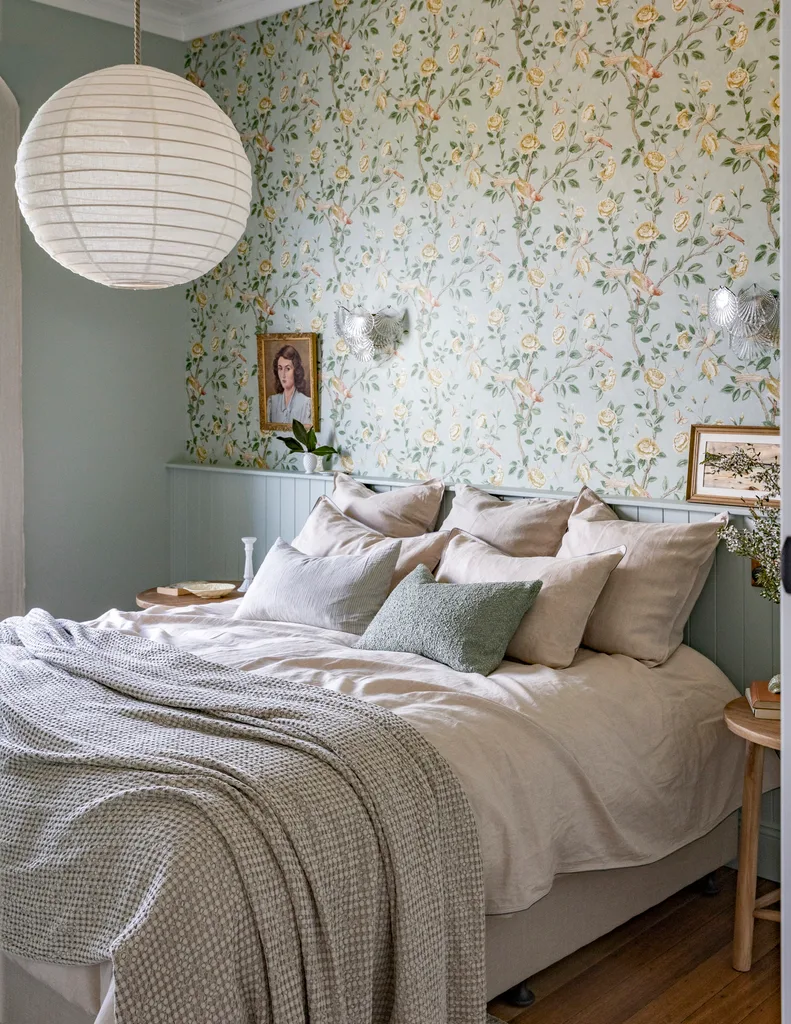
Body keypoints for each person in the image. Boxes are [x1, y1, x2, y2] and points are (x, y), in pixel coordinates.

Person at [267, 344, 312, 425]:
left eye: (288, 369)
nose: (283, 374)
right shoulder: (272, 402)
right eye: (280, 368)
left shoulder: (306, 403)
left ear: (296, 371)